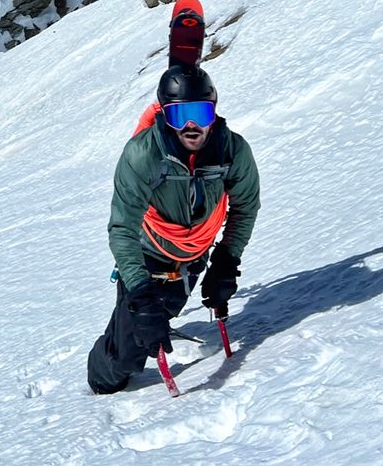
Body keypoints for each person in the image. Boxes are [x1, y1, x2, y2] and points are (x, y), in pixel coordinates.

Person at [87, 61, 260, 394]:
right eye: (181, 116)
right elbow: (123, 227)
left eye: (202, 113)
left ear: (214, 111)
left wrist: (226, 262)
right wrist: (139, 292)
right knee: (128, 353)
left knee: (162, 313)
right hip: (147, 253)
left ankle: (136, 321)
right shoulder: (142, 155)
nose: (192, 126)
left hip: (194, 255)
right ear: (166, 115)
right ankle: (100, 376)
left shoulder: (232, 151)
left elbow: (245, 206)